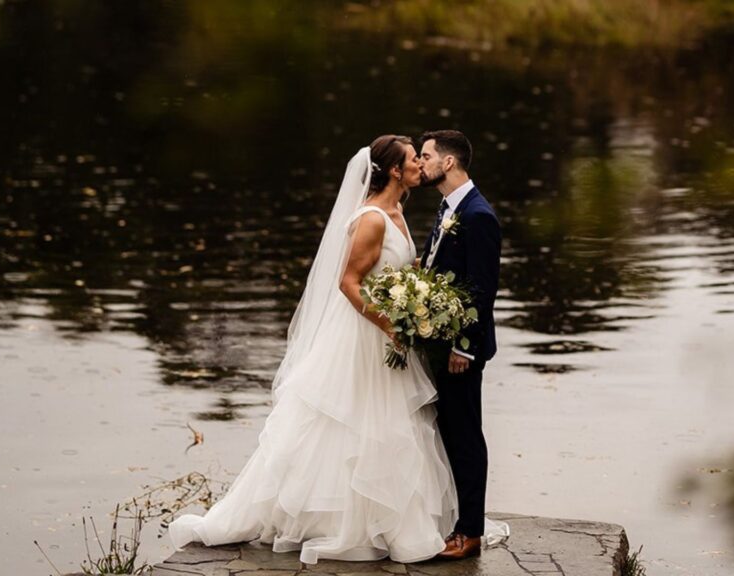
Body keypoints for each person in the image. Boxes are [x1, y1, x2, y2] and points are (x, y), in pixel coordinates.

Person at [168, 135, 459, 563]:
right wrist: (389, 323)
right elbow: (349, 282)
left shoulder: (397, 211)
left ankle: (386, 522)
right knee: (352, 423)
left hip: (386, 337)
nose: (421, 164)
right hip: (362, 337)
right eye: (414, 159)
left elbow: (390, 270)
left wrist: (420, 292)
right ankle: (335, 523)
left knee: (389, 424)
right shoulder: (372, 218)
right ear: (396, 170)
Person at [418, 130, 501, 560]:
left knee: (466, 436)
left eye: (426, 155)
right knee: (449, 433)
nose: (420, 162)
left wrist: (464, 348)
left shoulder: (478, 215)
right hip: (440, 345)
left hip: (460, 353)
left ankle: (470, 533)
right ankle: (455, 521)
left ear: (448, 162)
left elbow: (482, 291)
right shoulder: (449, 207)